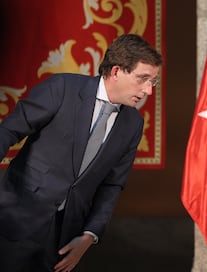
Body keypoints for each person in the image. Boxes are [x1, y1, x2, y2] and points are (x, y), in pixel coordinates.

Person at [0, 33, 162, 272]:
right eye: (143, 79)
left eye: (153, 81)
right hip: (15, 218)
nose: (148, 90)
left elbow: (112, 185)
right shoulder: (62, 88)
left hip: (66, 239)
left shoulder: (133, 124)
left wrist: (90, 234)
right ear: (116, 71)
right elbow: (9, 131)